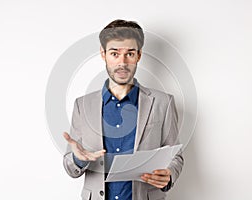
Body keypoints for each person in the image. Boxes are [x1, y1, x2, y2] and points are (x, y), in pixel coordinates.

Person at [62, 19, 184, 200]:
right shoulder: (82, 105)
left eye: (130, 54)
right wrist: (79, 159)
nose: (122, 62)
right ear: (103, 54)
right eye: (114, 53)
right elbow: (70, 167)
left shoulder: (163, 102)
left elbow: (176, 157)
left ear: (139, 56)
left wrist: (169, 174)